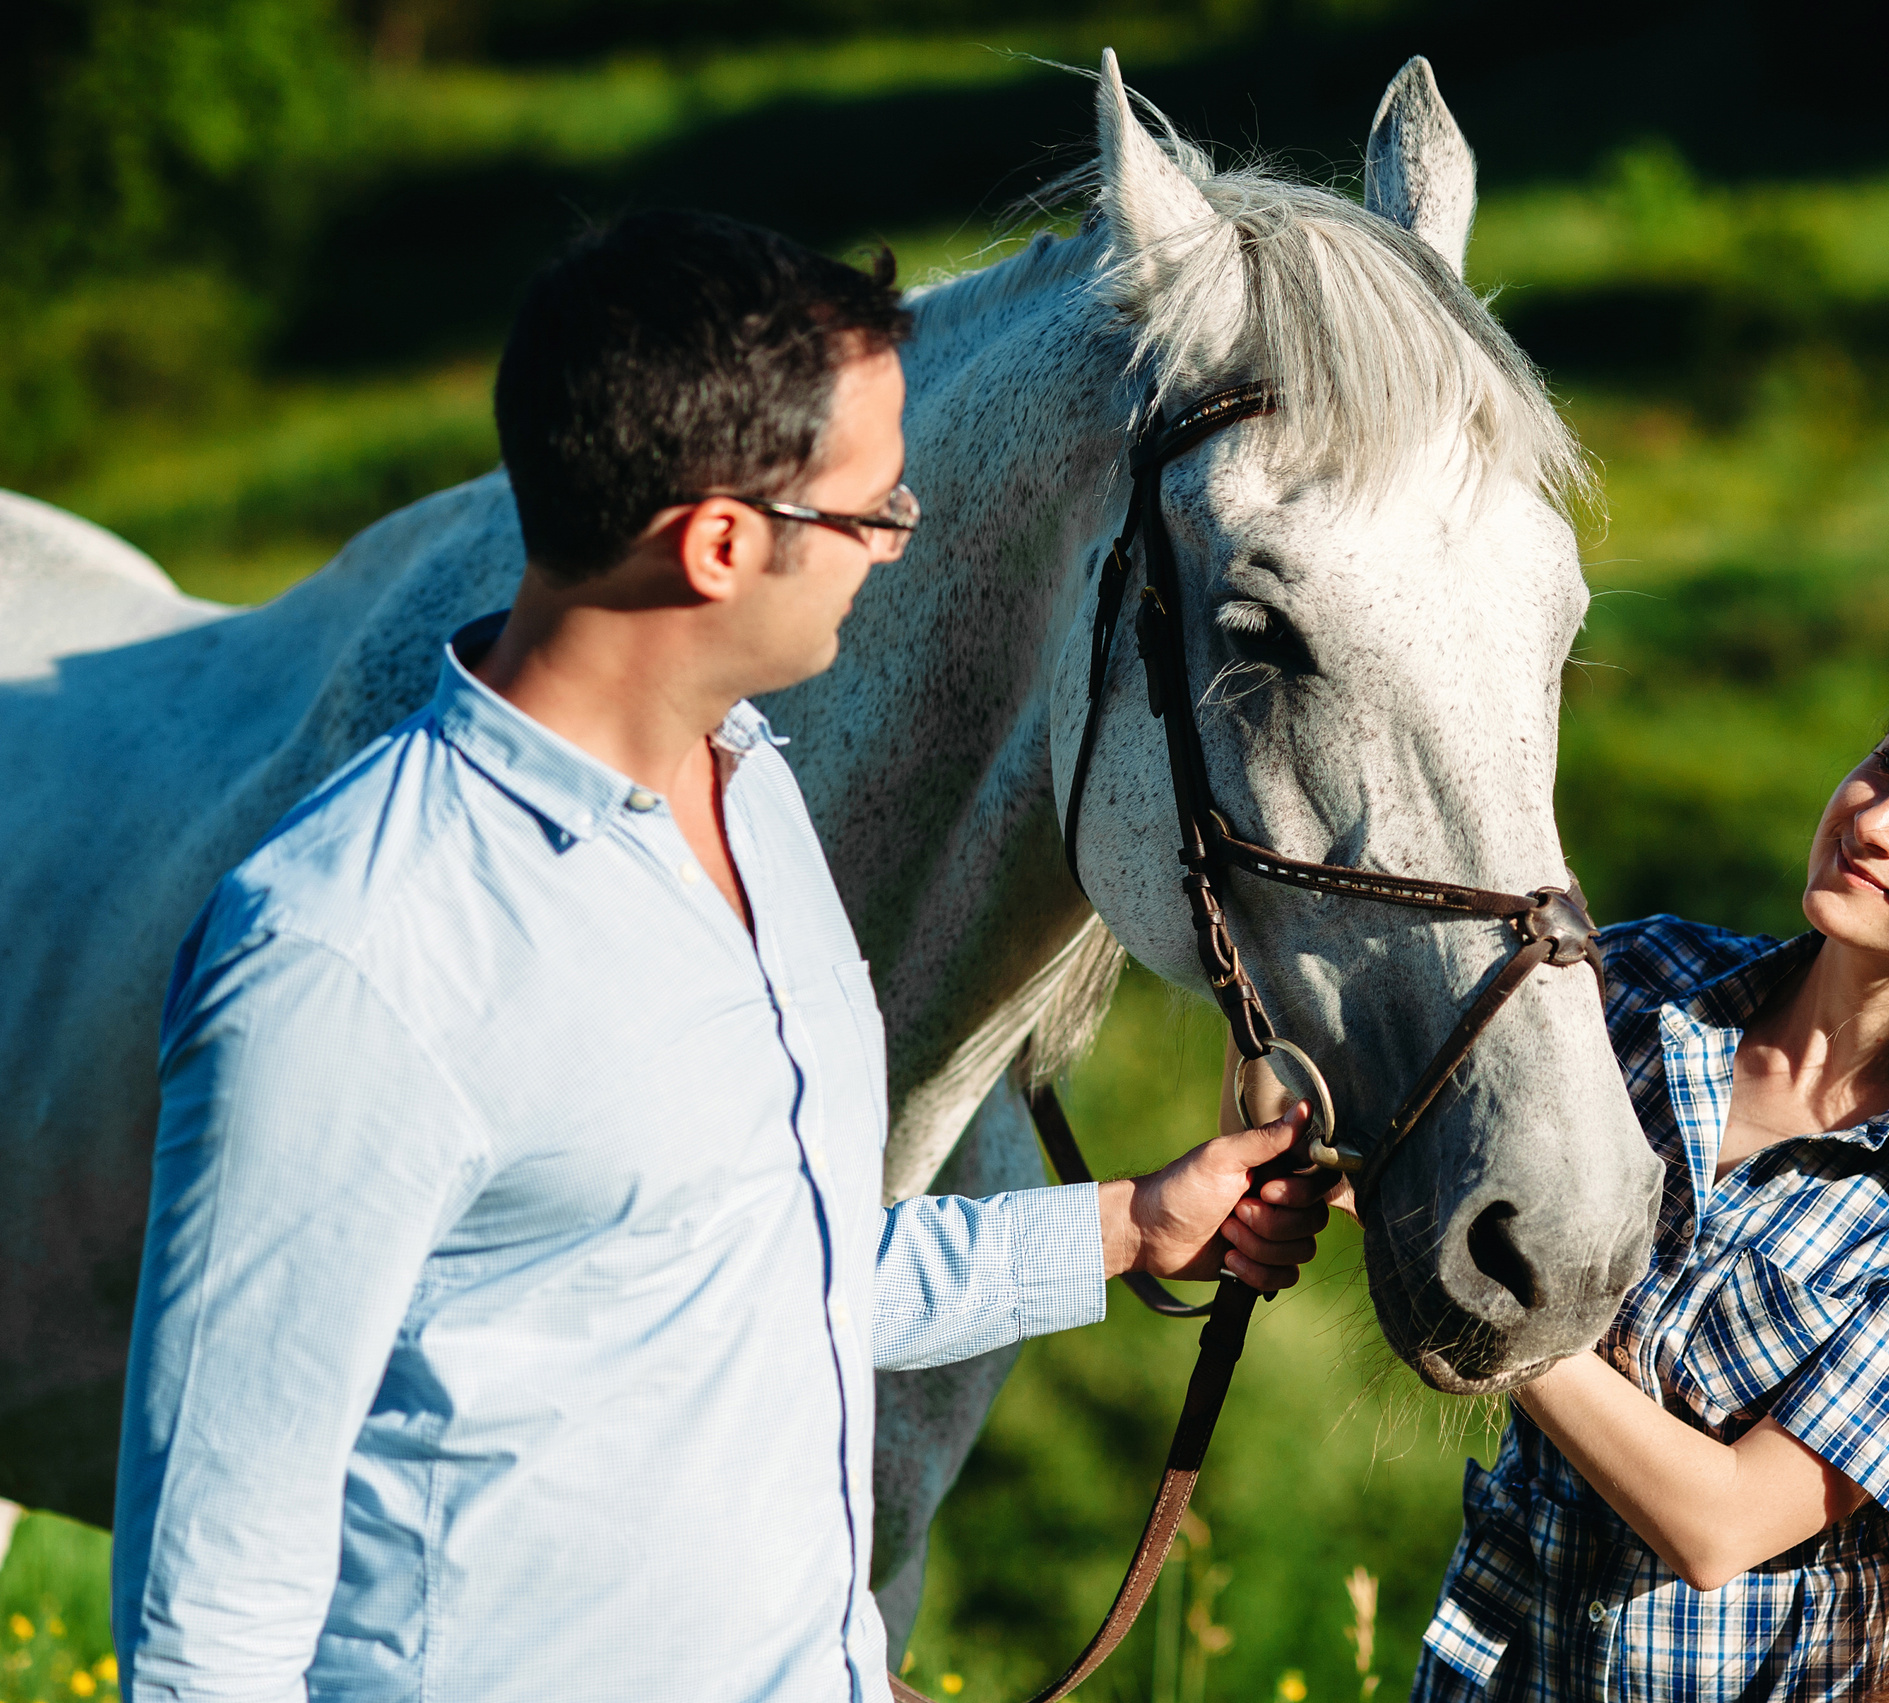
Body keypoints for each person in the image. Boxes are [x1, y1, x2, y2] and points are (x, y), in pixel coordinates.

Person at [111, 209, 1333, 1703]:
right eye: (879, 508)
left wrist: (1132, 1227)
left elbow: (754, 1269)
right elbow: (208, 1620)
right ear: (718, 544)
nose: (899, 542)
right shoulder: (352, 952)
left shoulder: (754, 795)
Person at [1406, 649, 1889, 1701]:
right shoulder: (1633, 987)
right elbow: (1341, 1103)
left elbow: (1717, 1523)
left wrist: (1464, 1259)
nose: (1879, 818)